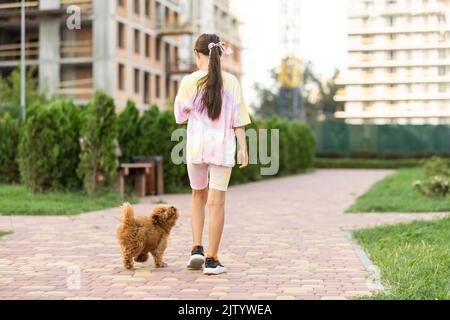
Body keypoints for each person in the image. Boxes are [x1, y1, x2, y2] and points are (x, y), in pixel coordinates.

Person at [174, 33, 251, 275]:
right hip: (222, 148)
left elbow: (180, 116)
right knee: (216, 203)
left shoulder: (189, 82)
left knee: (197, 196)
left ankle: (196, 248)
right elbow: (238, 120)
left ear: (198, 54)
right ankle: (212, 260)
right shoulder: (232, 82)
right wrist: (243, 149)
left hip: (196, 148)